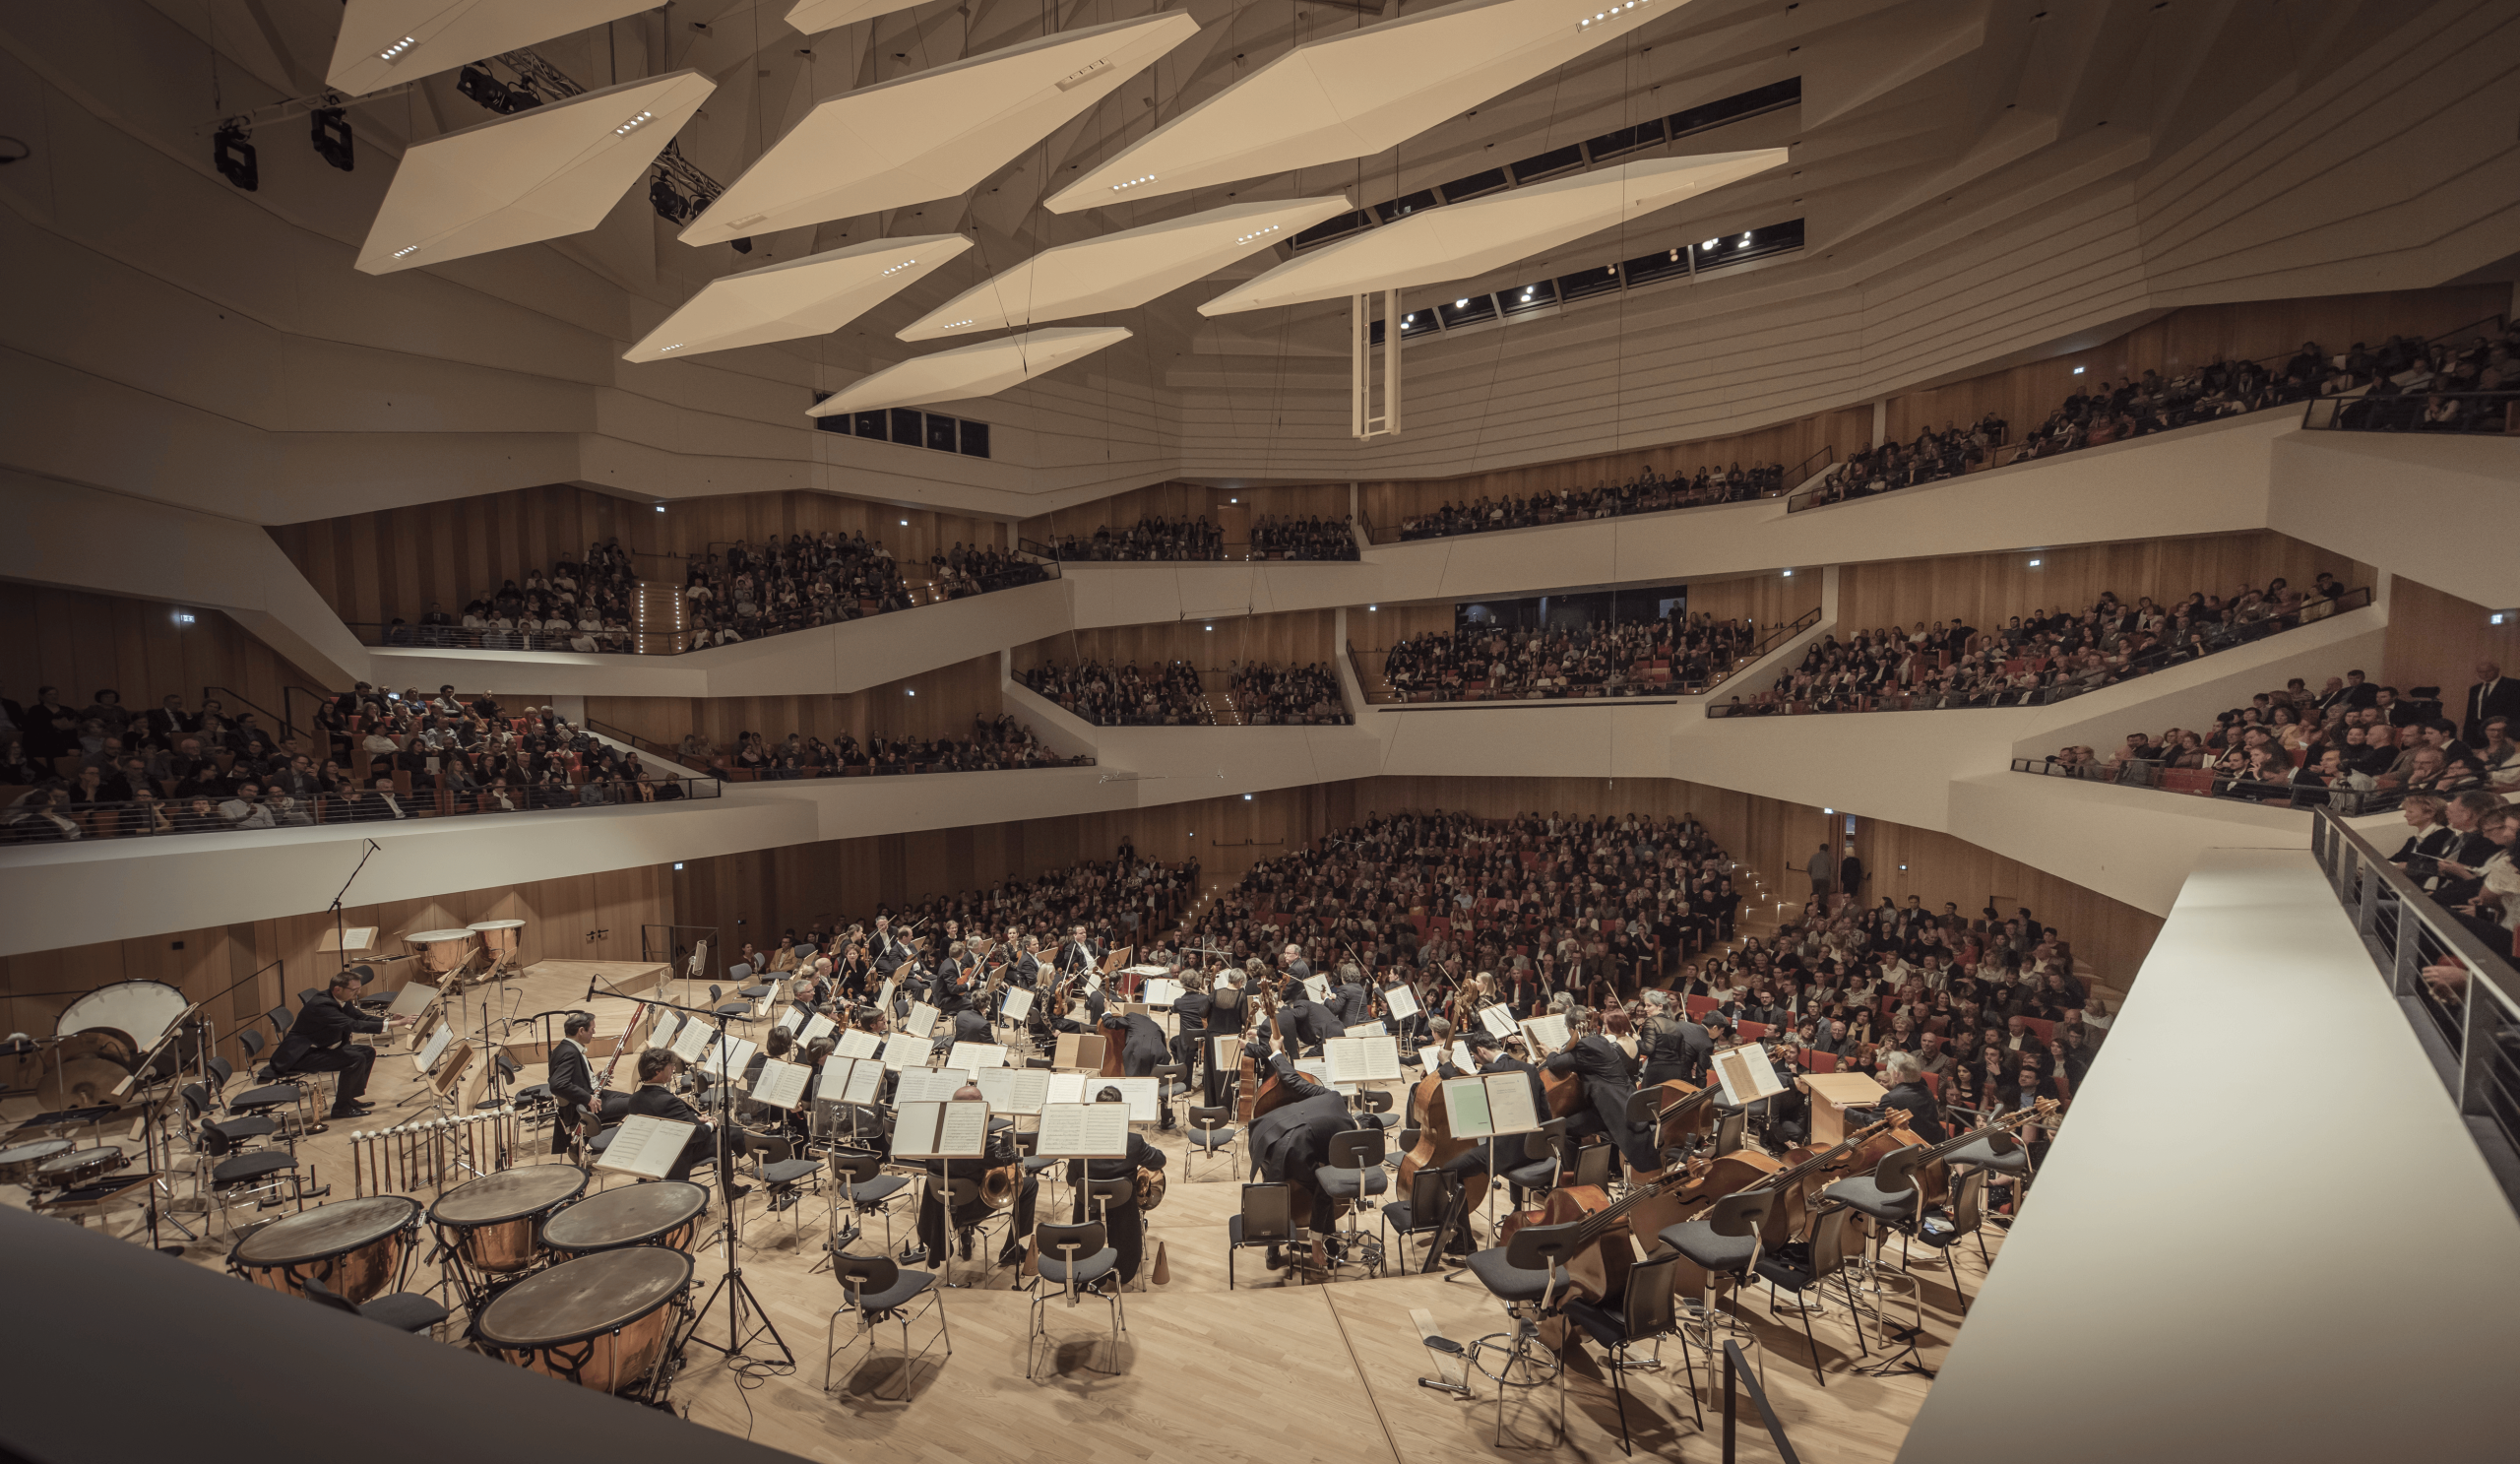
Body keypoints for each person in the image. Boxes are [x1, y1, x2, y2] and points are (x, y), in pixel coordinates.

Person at [914, 1079, 1036, 1270]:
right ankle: (1010, 1249)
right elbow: (1004, 1161)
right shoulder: (978, 1139)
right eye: (980, 1102)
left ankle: (965, 1234)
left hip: (938, 1204)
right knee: (1028, 1185)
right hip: (968, 1205)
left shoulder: (933, 1132)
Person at [273, 970, 410, 1119]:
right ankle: (341, 1108)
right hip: (300, 1055)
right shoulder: (322, 1005)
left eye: (359, 989)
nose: (358, 993)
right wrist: (398, 1024)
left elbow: (360, 1017)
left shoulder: (341, 1000)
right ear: (338, 989)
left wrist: (390, 1020)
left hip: (320, 1048)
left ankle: (349, 1099)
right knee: (355, 1058)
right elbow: (353, 1025)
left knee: (367, 1052)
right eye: (354, 990)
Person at [1074, 1084, 1168, 1283]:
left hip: (1087, 1207)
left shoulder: (1079, 1140)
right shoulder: (1133, 1142)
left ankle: (1091, 1268)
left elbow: (1070, 1180)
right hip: (1123, 1210)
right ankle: (1123, 1269)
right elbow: (1160, 1160)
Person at [620, 1048, 724, 1189]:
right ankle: (727, 1188)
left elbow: (663, 1120)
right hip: (675, 1157)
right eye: (670, 1066)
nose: (674, 1069)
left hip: (649, 1156)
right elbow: (694, 1135)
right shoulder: (668, 1101)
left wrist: (696, 1119)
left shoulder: (635, 1098)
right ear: (658, 1071)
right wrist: (711, 1125)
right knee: (722, 1138)